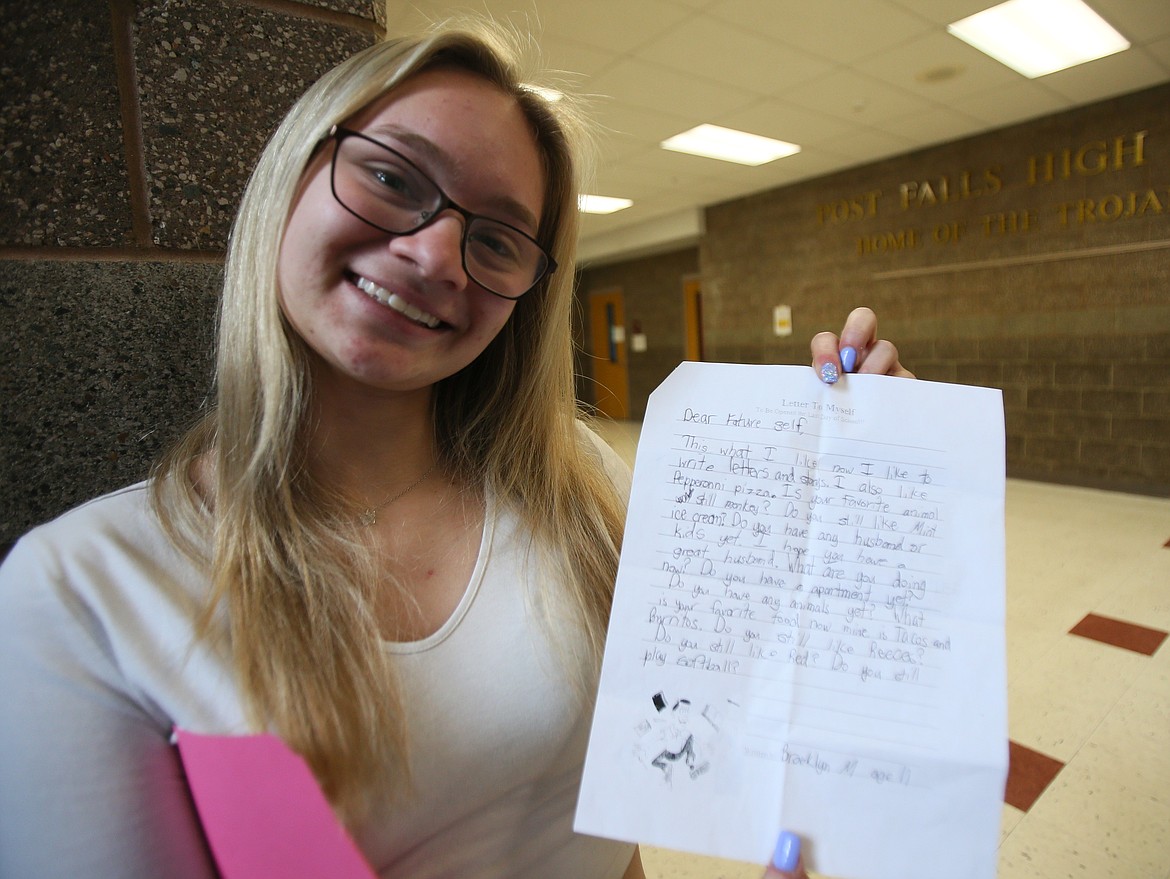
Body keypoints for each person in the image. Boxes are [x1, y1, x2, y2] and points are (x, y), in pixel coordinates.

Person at [0, 17, 908, 879]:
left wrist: (878, 486)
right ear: (291, 178)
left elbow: (634, 794)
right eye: (394, 179)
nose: (436, 255)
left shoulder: (580, 486)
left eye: (497, 237)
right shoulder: (83, 590)